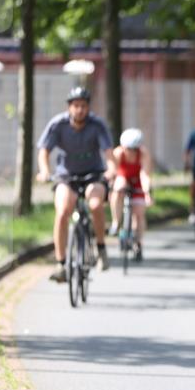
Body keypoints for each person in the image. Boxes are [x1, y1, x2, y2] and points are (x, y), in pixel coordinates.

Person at [36, 87, 114, 282]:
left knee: (95, 204)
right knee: (63, 211)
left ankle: (101, 248)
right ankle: (61, 263)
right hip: (66, 175)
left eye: (83, 106)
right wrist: (45, 171)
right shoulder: (58, 124)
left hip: (93, 174)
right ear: (69, 107)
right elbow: (44, 151)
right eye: (76, 106)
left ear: (88, 108)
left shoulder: (97, 125)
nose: (80, 110)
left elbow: (109, 153)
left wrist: (112, 169)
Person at [109, 128, 154, 261]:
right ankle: (116, 222)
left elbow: (145, 175)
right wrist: (111, 189)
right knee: (119, 187)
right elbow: (113, 173)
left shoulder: (144, 154)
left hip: (138, 182)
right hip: (123, 178)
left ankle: (138, 243)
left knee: (139, 214)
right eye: (128, 148)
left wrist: (147, 193)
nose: (130, 152)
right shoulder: (118, 153)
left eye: (134, 149)